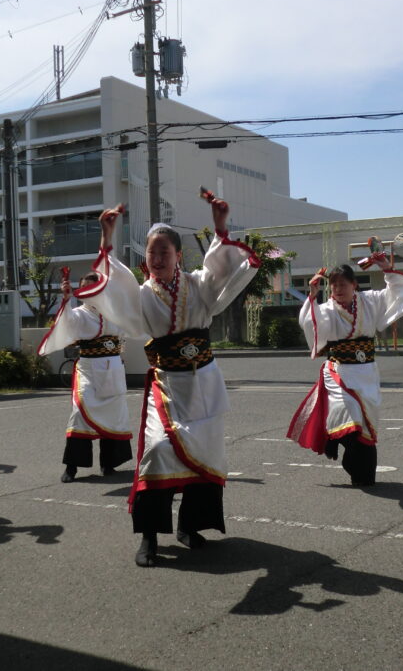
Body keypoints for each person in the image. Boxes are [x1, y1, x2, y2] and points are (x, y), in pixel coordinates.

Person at [75, 195, 260, 567]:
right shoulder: (142, 295)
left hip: (204, 384)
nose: (156, 259)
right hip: (168, 385)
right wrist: (107, 236)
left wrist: (220, 227)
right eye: (150, 253)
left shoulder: (198, 285)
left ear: (178, 255)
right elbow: (111, 285)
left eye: (164, 251)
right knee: (157, 452)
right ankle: (148, 536)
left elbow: (222, 270)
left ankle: (190, 526)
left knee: (205, 455)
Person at [287, 261, 403, 486]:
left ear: (354, 285)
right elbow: (309, 322)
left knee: (364, 424)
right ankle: (332, 438)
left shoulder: (370, 300)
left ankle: (358, 469)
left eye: (343, 284)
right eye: (333, 286)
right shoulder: (326, 309)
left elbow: (395, 292)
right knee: (350, 413)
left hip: (366, 372)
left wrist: (386, 269)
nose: (338, 289)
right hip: (339, 371)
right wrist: (312, 296)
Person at [37, 270, 134, 483]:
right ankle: (71, 467)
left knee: (113, 415)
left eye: (92, 287)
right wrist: (66, 298)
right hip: (89, 369)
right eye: (83, 288)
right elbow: (67, 322)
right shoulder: (80, 313)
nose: (87, 292)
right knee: (80, 413)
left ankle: (109, 464)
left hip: (114, 369)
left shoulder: (115, 312)